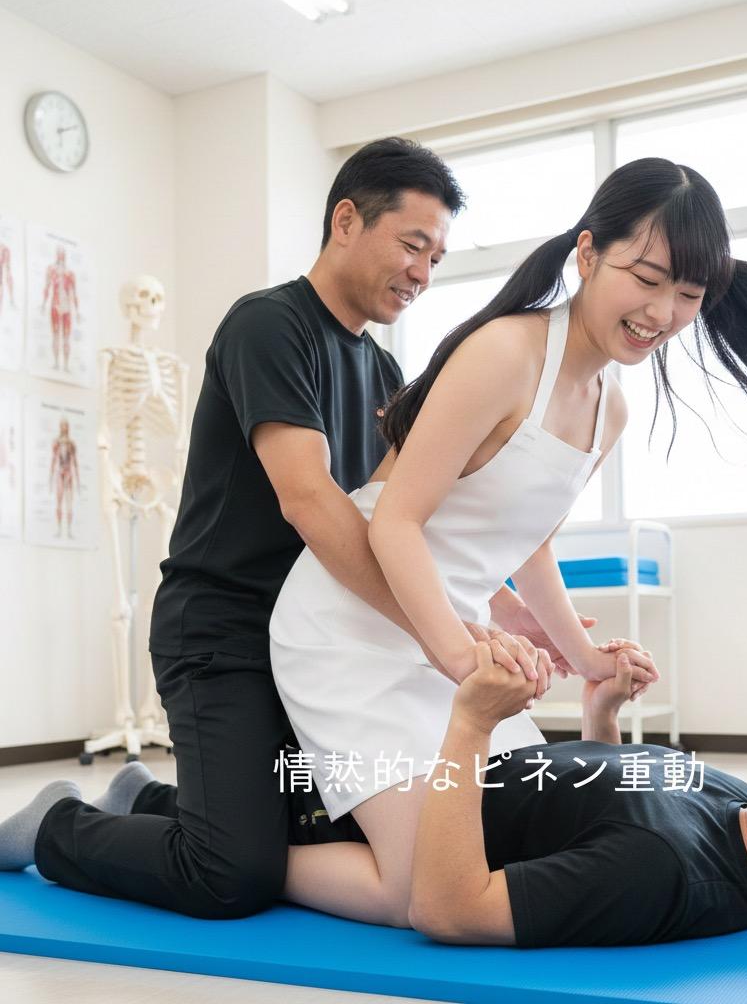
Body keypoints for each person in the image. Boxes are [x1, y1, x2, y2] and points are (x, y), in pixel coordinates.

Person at [268, 155, 747, 932]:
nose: (662, 312)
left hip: (453, 633)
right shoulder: (506, 353)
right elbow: (393, 523)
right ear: (588, 253)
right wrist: (461, 658)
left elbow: (531, 545)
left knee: (487, 839)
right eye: (647, 278)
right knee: (409, 889)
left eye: (688, 295)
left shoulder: (611, 408)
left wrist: (587, 661)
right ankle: (241, 853)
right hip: (354, 622)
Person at [0, 137, 578, 916]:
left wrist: (505, 610)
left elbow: (410, 522)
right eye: (412, 245)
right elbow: (308, 499)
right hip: (225, 632)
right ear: (346, 221)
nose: (423, 273)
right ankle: (55, 826)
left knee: (345, 833)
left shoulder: (384, 373)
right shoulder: (268, 326)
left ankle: (146, 798)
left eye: (437, 258)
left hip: (324, 639)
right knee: (231, 874)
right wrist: (438, 628)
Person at [400, 641, 747, 947]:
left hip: (391, 804)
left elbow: (450, 910)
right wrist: (602, 716)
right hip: (447, 763)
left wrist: (473, 723)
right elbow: (603, 810)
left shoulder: (660, 873)